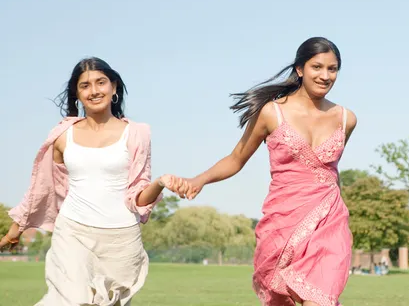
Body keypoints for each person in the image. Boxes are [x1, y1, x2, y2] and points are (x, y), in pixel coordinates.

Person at [0, 57, 188, 306]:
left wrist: (161, 183)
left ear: (114, 87)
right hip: (73, 232)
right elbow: (41, 189)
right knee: (67, 300)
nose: (94, 91)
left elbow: (138, 198)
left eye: (101, 82)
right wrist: (16, 231)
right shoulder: (63, 134)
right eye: (85, 85)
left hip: (121, 239)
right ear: (77, 94)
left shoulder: (137, 133)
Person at [184, 37, 357, 306]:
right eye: (317, 67)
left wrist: (342, 221)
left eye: (332, 69)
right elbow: (236, 158)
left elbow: (332, 173)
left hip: (330, 222)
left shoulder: (346, 118)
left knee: (320, 300)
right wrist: (200, 180)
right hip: (283, 220)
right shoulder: (271, 113)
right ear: (300, 69)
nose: (325, 76)